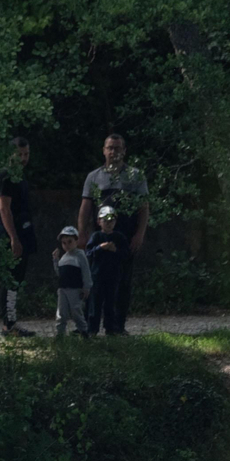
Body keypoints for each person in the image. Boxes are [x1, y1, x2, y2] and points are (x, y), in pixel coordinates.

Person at [77, 134, 149, 335]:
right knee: (94, 282)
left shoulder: (135, 176)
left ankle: (117, 326)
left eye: (118, 148)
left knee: (122, 282)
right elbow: (85, 207)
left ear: (124, 151)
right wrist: (82, 234)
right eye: (110, 148)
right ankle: (89, 327)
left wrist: (139, 234)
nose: (114, 152)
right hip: (100, 238)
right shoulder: (94, 177)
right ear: (103, 150)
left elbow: (143, 208)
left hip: (124, 237)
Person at [0, 136, 37, 336]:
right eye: (20, 154)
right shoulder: (6, 177)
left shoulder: (19, 177)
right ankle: (9, 325)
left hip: (21, 233)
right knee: (11, 279)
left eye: (26, 154)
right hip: (10, 235)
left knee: (16, 279)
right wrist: (13, 238)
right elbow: (4, 209)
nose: (24, 158)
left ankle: (11, 323)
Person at [86, 205, 130, 336]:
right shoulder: (96, 236)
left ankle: (110, 329)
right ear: (99, 222)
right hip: (97, 275)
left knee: (111, 304)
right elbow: (88, 253)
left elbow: (126, 255)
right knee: (95, 303)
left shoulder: (119, 237)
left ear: (115, 222)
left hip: (113, 275)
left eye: (111, 221)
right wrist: (100, 248)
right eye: (105, 221)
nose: (108, 223)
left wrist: (115, 250)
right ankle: (92, 329)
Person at [51, 225, 91, 337]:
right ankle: (60, 333)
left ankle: (83, 331)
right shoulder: (63, 258)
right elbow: (59, 273)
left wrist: (87, 286)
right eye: (64, 243)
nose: (67, 245)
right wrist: (55, 260)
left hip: (75, 288)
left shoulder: (80, 254)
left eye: (70, 242)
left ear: (76, 241)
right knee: (61, 312)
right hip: (63, 288)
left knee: (76, 311)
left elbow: (86, 271)